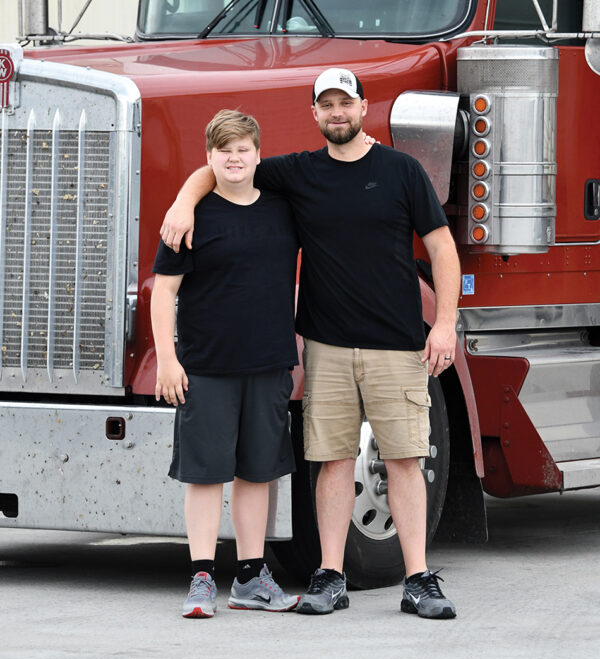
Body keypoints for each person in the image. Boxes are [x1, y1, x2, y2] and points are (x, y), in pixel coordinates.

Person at [160, 69, 461, 619]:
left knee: (403, 460)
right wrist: (184, 200)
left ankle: (418, 578)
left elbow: (441, 248)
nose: (337, 112)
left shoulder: (402, 171)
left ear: (363, 107)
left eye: (346, 102)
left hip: (397, 346)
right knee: (333, 462)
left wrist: (444, 324)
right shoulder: (298, 172)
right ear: (315, 114)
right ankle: (330, 576)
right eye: (327, 104)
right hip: (325, 346)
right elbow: (228, 164)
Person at [151, 109, 300, 618]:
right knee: (206, 474)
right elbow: (164, 292)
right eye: (224, 150)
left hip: (269, 364)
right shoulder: (189, 217)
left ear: (259, 154)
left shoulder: (283, 207)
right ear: (209, 157)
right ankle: (200, 578)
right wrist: (167, 360)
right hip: (206, 368)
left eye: (243, 149)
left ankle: (251, 578)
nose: (234, 159)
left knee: (257, 473)